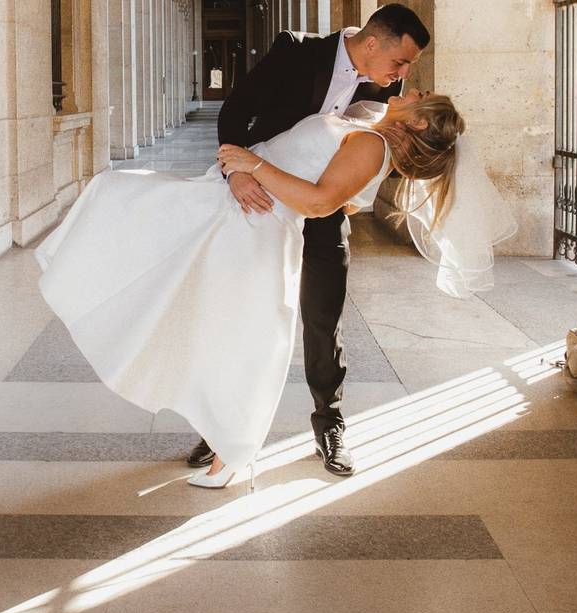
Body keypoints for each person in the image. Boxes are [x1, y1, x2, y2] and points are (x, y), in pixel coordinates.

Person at [34, 88, 489, 489]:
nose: (413, 89)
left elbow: (321, 203)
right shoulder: (370, 129)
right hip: (239, 209)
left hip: (253, 223)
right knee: (139, 227)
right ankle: (220, 437)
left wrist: (254, 165)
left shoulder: (373, 145)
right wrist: (252, 171)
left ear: (419, 121)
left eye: (421, 97)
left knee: (234, 338)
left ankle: (231, 450)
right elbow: (341, 196)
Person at [185, 3, 431, 478]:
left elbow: (376, 148)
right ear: (372, 43)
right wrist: (235, 172)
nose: (402, 75)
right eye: (400, 62)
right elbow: (237, 109)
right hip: (261, 201)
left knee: (324, 317)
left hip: (323, 211)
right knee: (243, 318)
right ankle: (218, 432)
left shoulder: (387, 84)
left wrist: (349, 196)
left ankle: (330, 424)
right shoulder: (295, 51)